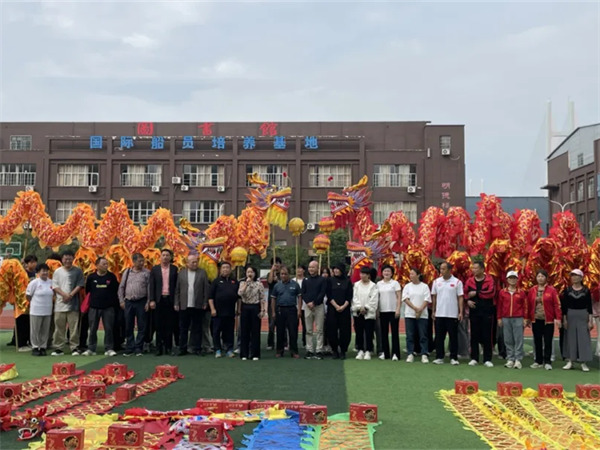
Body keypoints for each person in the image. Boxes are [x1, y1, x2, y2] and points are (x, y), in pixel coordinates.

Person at [174, 254, 210, 356]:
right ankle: (182, 348)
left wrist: (205, 302)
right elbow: (177, 289)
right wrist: (176, 303)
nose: (195, 264)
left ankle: (197, 348)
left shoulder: (202, 273)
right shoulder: (181, 273)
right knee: (183, 328)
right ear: (187, 263)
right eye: (193, 262)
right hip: (184, 305)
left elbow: (206, 289)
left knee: (197, 328)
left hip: (198, 305)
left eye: (196, 261)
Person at [82, 257, 119, 356]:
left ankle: (109, 348)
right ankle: (91, 349)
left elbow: (115, 290)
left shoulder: (111, 277)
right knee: (92, 328)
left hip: (108, 307)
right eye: (103, 264)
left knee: (109, 329)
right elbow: (88, 290)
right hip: (94, 307)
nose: (106, 266)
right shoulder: (91, 277)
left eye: (107, 264)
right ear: (97, 265)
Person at [51, 250, 84, 356]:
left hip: (73, 304)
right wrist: (64, 295)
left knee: (74, 328)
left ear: (73, 259)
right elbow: (55, 286)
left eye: (70, 259)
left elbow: (80, 285)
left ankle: (74, 347)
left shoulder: (78, 271)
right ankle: (58, 348)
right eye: (66, 259)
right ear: (62, 259)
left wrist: (70, 295)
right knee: (59, 327)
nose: (68, 261)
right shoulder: (57, 271)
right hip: (59, 304)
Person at [464, 261, 497, 367]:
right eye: (473, 268)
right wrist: (467, 301)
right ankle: (474, 358)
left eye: (476, 268)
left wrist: (477, 293)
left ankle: (487, 359)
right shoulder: (469, 281)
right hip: (474, 312)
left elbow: (491, 293)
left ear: (482, 269)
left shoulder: (490, 280)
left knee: (487, 335)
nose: (474, 270)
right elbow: (465, 293)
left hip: (487, 311)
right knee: (474, 335)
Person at [527, 269, 561, 370]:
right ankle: (538, 361)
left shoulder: (552, 290)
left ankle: (547, 361)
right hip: (536, 319)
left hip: (548, 320)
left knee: (548, 341)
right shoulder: (532, 290)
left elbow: (557, 305)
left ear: (546, 278)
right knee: (537, 340)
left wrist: (558, 318)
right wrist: (528, 318)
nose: (540, 278)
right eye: (538, 276)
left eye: (542, 276)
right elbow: (528, 305)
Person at [431, 261, 464, 365]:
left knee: (453, 337)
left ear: (450, 270)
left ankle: (453, 357)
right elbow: (434, 297)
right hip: (440, 314)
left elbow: (460, 297)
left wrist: (460, 312)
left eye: (444, 269)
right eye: (440, 269)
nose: (441, 271)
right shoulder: (436, 282)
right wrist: (433, 310)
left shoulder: (457, 282)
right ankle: (439, 357)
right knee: (439, 337)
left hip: (452, 314)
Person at [561, 269, 594, 372]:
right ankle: (570, 361)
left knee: (583, 338)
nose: (574, 277)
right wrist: (564, 320)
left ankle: (583, 362)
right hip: (570, 315)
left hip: (583, 315)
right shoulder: (567, 290)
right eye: (572, 276)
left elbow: (589, 306)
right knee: (570, 338)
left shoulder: (586, 290)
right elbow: (564, 306)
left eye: (576, 275)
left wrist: (590, 320)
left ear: (581, 277)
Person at [119, 253, 150, 357]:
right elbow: (121, 287)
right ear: (134, 261)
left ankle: (139, 348)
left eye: (143, 261)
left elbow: (149, 289)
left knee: (142, 325)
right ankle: (130, 347)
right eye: (139, 261)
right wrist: (121, 301)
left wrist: (148, 302)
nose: (142, 263)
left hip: (141, 301)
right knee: (128, 325)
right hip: (129, 302)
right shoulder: (127, 272)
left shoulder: (147, 273)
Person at [149, 248, 178, 356]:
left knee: (169, 325)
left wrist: (176, 302)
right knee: (158, 325)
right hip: (158, 300)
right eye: (163, 255)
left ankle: (169, 347)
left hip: (170, 300)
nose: (165, 257)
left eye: (167, 255)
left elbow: (176, 287)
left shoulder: (174, 269)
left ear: (170, 257)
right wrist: (152, 300)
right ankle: (159, 348)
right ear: (160, 257)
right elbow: (152, 285)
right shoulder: (155, 269)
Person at [496, 271, 528, 369]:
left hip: (518, 318)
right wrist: (499, 318)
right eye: (510, 278)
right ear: (507, 280)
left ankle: (518, 359)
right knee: (508, 339)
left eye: (514, 278)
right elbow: (499, 306)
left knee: (518, 339)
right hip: (506, 318)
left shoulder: (521, 292)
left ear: (517, 279)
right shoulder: (502, 292)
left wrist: (525, 318)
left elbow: (525, 306)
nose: (512, 280)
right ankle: (510, 358)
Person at [208, 262, 239, 358]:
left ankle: (229, 349)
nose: (225, 269)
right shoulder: (216, 281)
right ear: (220, 270)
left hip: (230, 312)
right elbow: (210, 297)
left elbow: (239, 297)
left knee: (229, 331)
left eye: (227, 267)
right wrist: (212, 309)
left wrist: (238, 309)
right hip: (217, 312)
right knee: (216, 331)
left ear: (230, 269)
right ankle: (217, 349)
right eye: (223, 268)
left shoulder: (235, 282)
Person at [271, 265, 302, 358]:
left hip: (292, 309)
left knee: (293, 331)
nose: (283, 276)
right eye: (282, 274)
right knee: (280, 331)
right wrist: (273, 312)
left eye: (285, 274)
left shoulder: (295, 284)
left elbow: (299, 297)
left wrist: (299, 310)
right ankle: (279, 351)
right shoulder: (277, 285)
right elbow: (273, 299)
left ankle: (294, 351)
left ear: (289, 274)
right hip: (280, 310)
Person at [402, 268, 432, 363]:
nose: (410, 276)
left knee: (423, 335)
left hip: (422, 315)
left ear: (418, 275)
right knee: (410, 335)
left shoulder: (424, 286)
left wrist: (420, 310)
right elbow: (405, 299)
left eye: (412, 274)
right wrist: (415, 308)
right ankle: (410, 353)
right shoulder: (407, 286)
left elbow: (427, 299)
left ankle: (424, 354)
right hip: (410, 314)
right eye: (410, 274)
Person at [238, 266, 265, 360]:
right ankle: (244, 354)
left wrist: (263, 310)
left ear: (255, 273)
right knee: (244, 331)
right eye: (248, 272)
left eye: (252, 272)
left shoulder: (259, 284)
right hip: (245, 306)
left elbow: (262, 298)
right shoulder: (242, 283)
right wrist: (247, 283)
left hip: (255, 307)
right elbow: (240, 293)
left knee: (255, 331)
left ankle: (255, 354)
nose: (250, 274)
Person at [326, 263, 352, 360]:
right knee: (332, 330)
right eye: (334, 269)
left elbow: (349, 296)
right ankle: (334, 350)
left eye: (338, 269)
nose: (336, 271)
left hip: (345, 309)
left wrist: (343, 306)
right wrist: (336, 306)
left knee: (345, 330)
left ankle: (343, 350)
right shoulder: (330, 280)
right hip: (333, 309)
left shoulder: (347, 281)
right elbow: (329, 295)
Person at [302, 260, 327, 359]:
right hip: (307, 307)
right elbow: (303, 293)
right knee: (308, 330)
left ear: (317, 268)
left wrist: (314, 303)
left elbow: (322, 293)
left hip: (319, 306)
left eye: (313, 267)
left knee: (319, 329)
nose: (311, 269)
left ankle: (319, 350)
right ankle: (309, 350)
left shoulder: (322, 280)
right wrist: (308, 302)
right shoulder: (305, 280)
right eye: (310, 267)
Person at [352, 266, 379, 360]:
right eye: (361, 273)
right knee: (359, 332)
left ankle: (368, 350)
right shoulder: (356, 285)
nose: (362, 275)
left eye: (364, 274)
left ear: (368, 275)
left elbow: (374, 299)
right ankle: (360, 350)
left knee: (369, 332)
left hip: (369, 313)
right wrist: (359, 307)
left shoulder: (373, 286)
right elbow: (354, 297)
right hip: (358, 312)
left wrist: (366, 308)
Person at [26, 263, 53, 356]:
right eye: (43, 271)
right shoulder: (34, 283)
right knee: (35, 330)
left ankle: (43, 347)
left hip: (47, 310)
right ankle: (35, 347)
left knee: (45, 330)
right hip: (36, 310)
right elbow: (28, 296)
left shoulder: (51, 282)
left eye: (46, 271)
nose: (45, 273)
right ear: (38, 272)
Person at [377, 265, 402, 361]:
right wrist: (377, 310)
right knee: (383, 333)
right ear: (382, 273)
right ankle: (385, 353)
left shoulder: (395, 283)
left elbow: (399, 297)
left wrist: (398, 309)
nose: (386, 273)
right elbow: (377, 298)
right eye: (385, 271)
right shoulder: (379, 284)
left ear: (392, 273)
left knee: (394, 332)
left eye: (388, 271)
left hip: (393, 310)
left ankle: (395, 353)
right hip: (382, 311)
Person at [15, 255, 38, 351]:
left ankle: (29, 342)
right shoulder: (22, 273)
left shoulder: (36, 273)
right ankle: (21, 344)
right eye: (31, 262)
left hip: (33, 302)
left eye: (35, 262)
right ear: (27, 263)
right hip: (22, 301)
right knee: (22, 322)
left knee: (30, 323)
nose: (33, 264)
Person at [267, 257, 282, 350]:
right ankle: (270, 343)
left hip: (281, 301)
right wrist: (272, 271)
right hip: (271, 302)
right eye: (274, 263)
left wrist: (278, 281)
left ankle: (284, 342)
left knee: (282, 324)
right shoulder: (270, 274)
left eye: (277, 263)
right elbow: (269, 281)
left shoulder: (282, 273)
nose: (276, 265)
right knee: (271, 323)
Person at [293, 265, 306, 348]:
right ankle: (293, 342)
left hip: (305, 306)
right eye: (297, 268)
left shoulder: (306, 280)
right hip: (295, 307)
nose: (299, 270)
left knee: (306, 326)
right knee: (294, 326)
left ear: (304, 270)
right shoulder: (293, 281)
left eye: (300, 269)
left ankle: (305, 342)